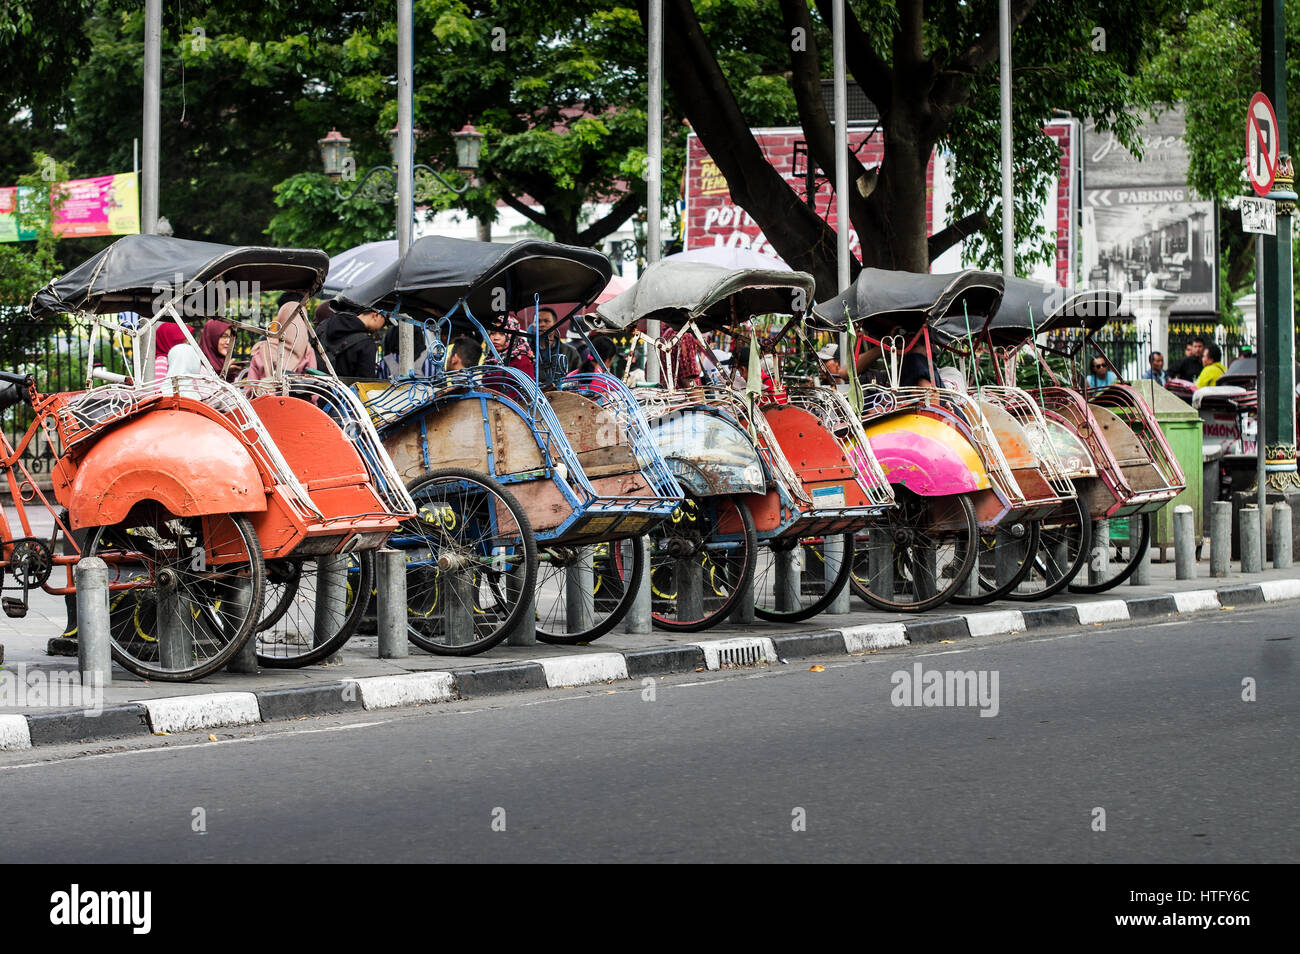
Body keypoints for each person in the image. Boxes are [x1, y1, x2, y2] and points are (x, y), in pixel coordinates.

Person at [247, 301, 318, 379]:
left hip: (265, 390)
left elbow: (250, 386)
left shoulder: (262, 349)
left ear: (280, 320)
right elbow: (313, 380)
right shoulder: (308, 351)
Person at [317, 301, 386, 379]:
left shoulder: (324, 325)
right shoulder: (366, 343)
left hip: (313, 385)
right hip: (344, 389)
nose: (382, 326)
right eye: (384, 322)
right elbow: (366, 380)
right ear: (375, 316)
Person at [533, 307, 581, 379]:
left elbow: (579, 378)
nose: (542, 324)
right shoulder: (527, 352)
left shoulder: (571, 352)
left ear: (555, 324)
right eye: (538, 321)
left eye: (546, 321)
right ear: (533, 326)